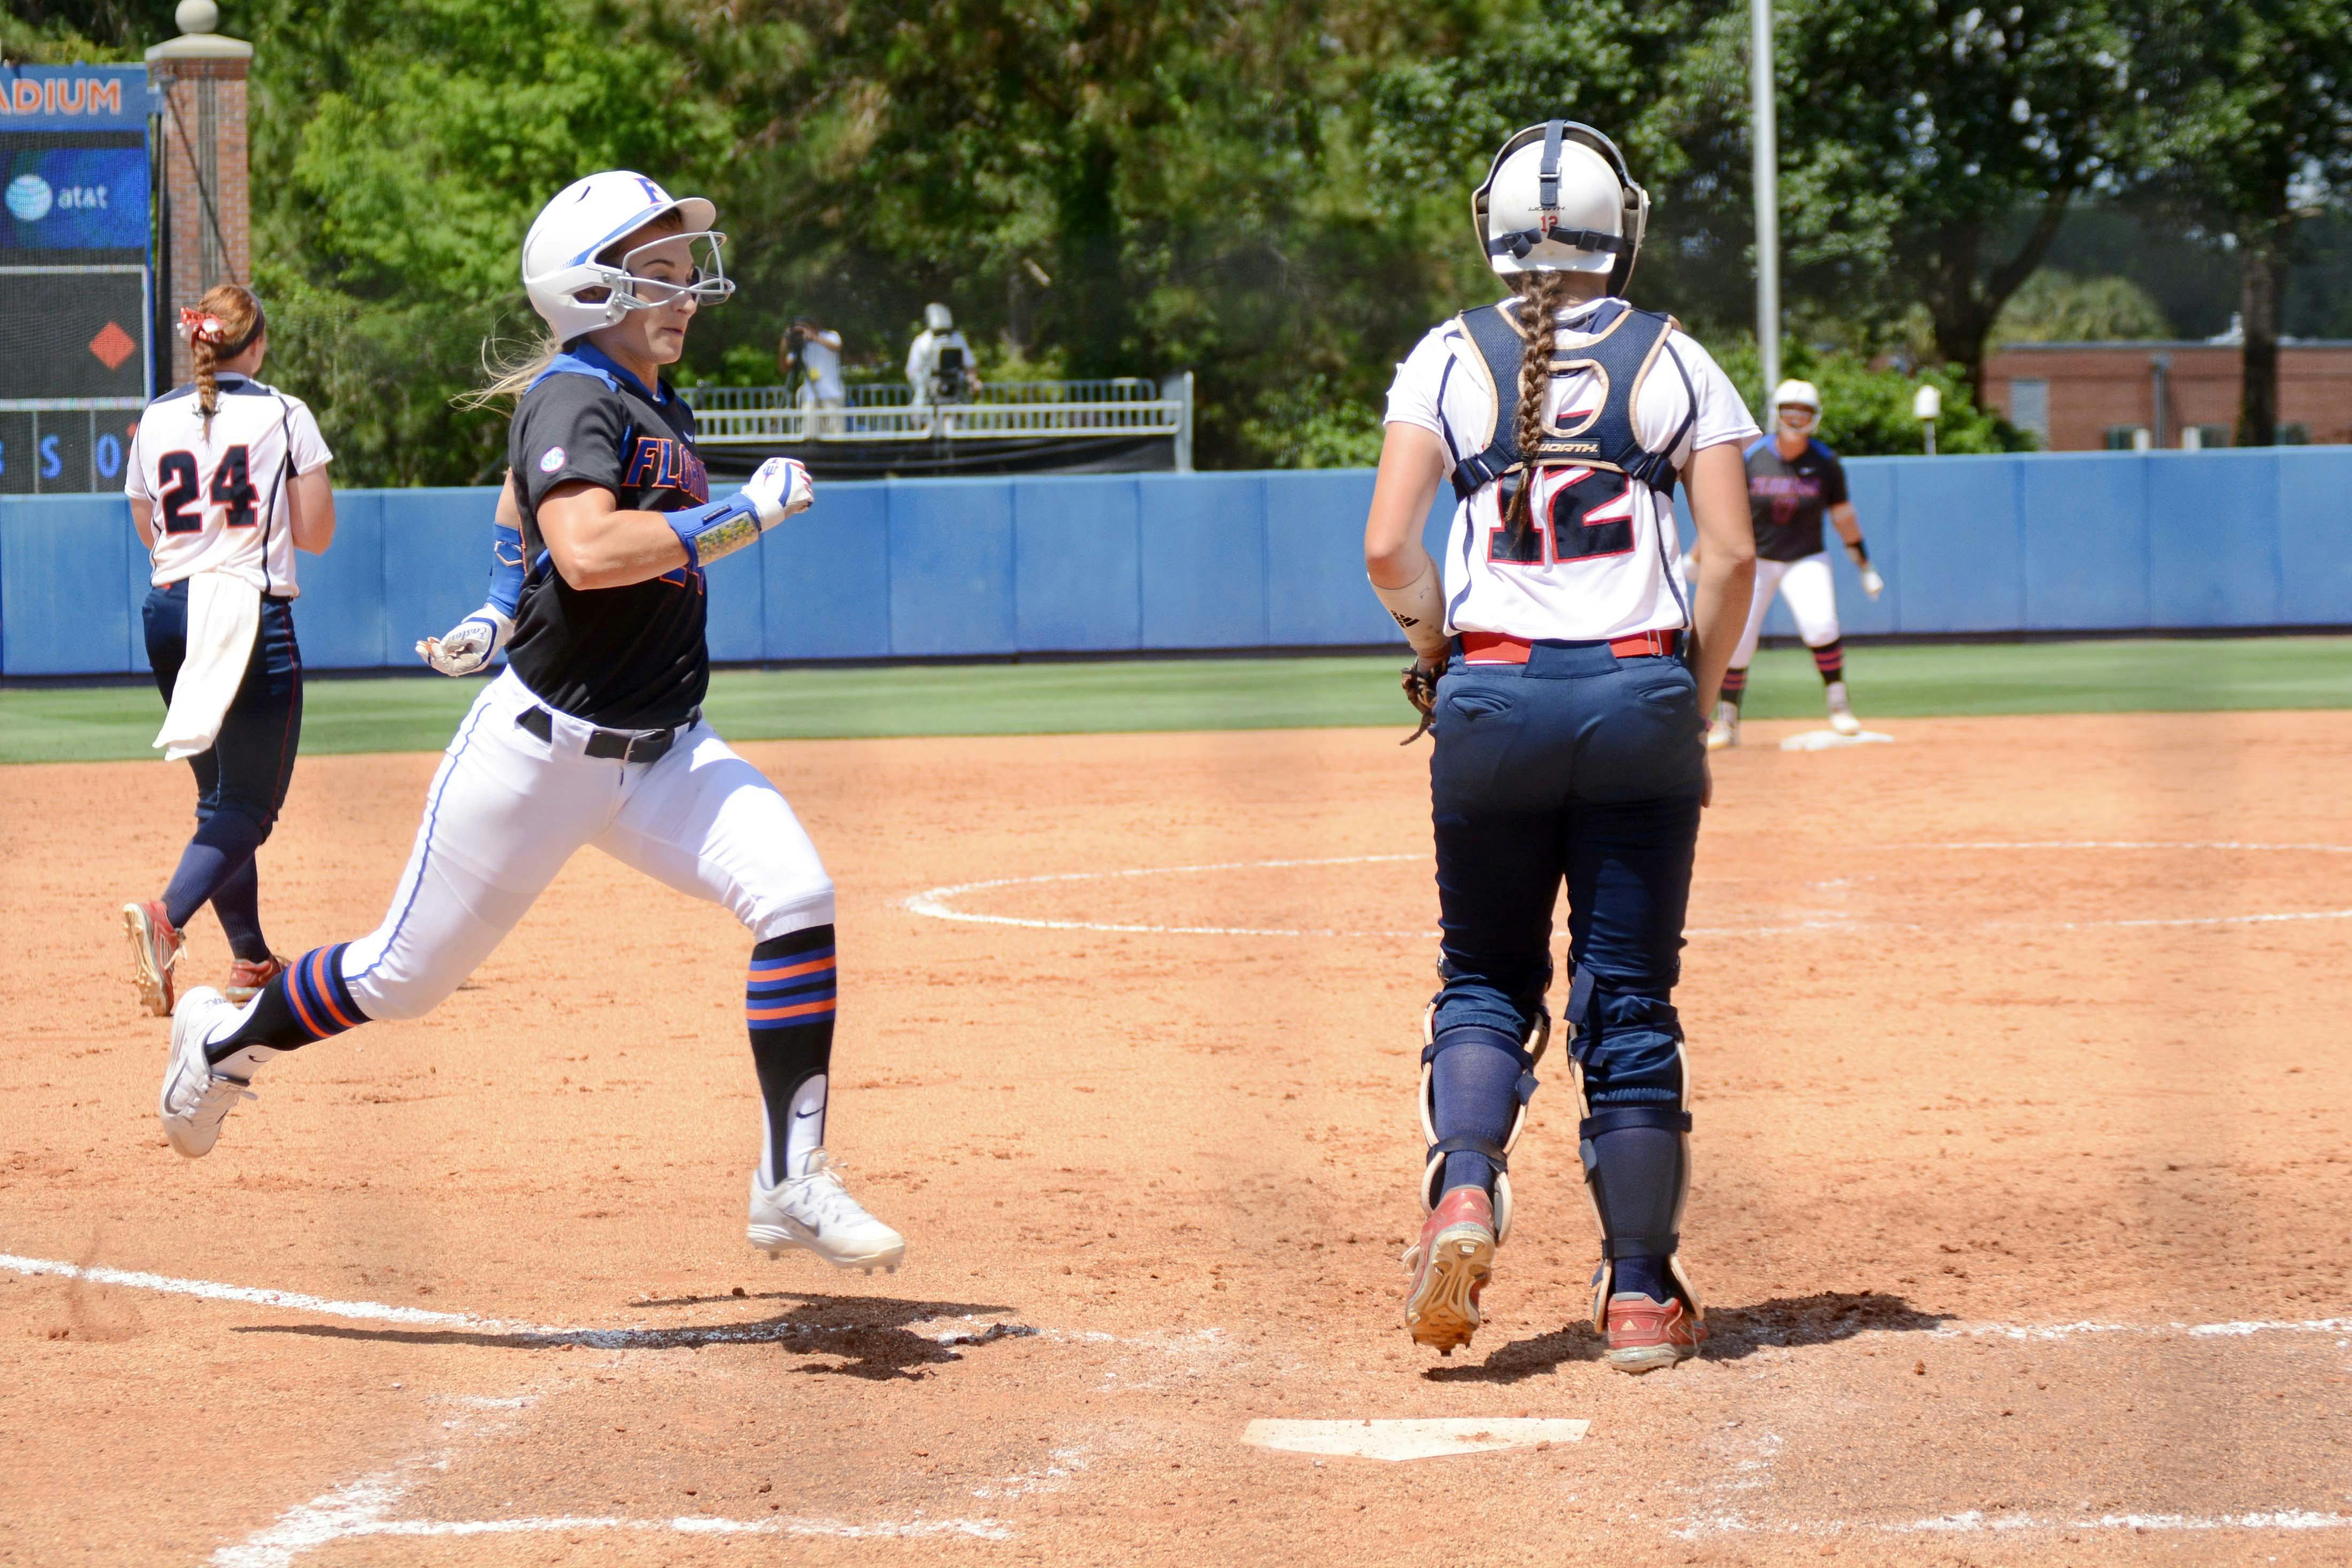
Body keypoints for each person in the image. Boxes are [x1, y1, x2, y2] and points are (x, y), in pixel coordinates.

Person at [161, 170, 905, 1276]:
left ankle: (789, 1179)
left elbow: (521, 510)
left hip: (666, 750)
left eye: (682, 270)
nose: (687, 291)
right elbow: (594, 551)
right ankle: (221, 1037)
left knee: (796, 895)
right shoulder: (575, 392)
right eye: (656, 273)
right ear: (590, 289)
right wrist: (742, 511)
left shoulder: (646, 395)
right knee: (403, 978)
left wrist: (498, 601)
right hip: (542, 748)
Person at [1363, 120, 1758, 1373]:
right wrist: (1692, 695)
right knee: (1631, 999)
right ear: (1617, 229)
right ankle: (1640, 1294)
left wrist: (1433, 652)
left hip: (1492, 693)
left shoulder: (1445, 356)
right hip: (1639, 692)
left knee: (1483, 976)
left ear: (1493, 229)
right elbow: (1733, 556)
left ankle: (1466, 1187)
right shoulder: (1677, 358)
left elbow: (1386, 548)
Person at [121, 285, 336, 1017]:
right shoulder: (285, 412)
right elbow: (315, 534)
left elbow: (145, 518)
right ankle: (167, 918)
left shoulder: (154, 418)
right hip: (245, 610)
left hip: (171, 608)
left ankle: (249, 959)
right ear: (259, 342)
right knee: (249, 804)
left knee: (217, 800)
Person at [1700, 379, 1886, 748]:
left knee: (1821, 625)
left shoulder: (1824, 461)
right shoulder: (1753, 456)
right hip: (1757, 559)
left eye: (1804, 412)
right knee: (1739, 641)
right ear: (1778, 412)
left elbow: (1844, 516)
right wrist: (1697, 555)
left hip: (1805, 557)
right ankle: (1728, 722)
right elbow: (1728, 511)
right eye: (1790, 410)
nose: (1797, 418)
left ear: (1815, 417)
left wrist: (1864, 564)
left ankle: (1839, 706)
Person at [905, 302, 979, 413]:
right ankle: (922, 423)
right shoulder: (923, 341)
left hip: (954, 388)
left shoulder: (957, 339)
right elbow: (912, 369)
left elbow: (970, 366)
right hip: (929, 390)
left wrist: (973, 381)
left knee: (959, 410)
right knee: (920, 405)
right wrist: (922, 383)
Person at [781, 317, 846, 436]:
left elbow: (837, 346)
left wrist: (814, 337)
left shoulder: (830, 336)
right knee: (810, 436)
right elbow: (784, 368)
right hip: (810, 397)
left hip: (832, 394)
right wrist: (784, 345)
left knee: (836, 435)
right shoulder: (801, 346)